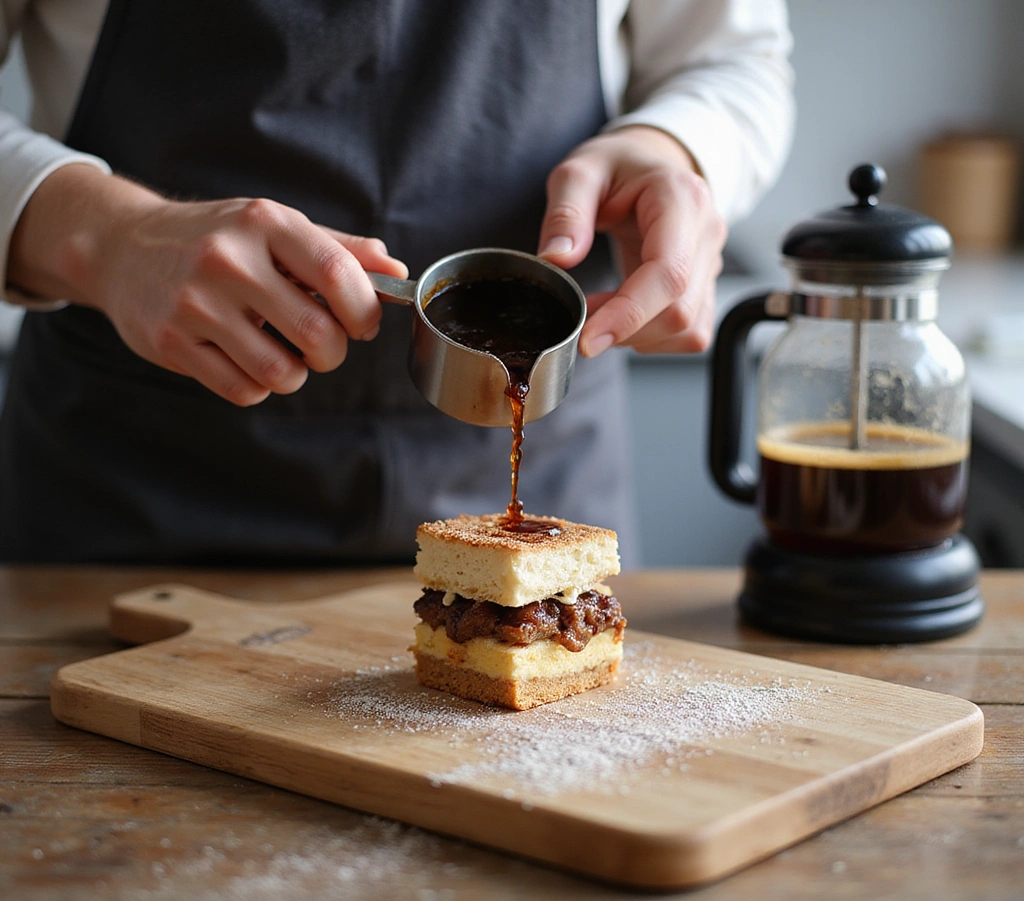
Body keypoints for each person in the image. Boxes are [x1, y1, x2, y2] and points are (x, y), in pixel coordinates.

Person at [0, 0, 794, 566]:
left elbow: (731, 57)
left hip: (547, 455)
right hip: (131, 494)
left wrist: (677, 147)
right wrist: (106, 236)